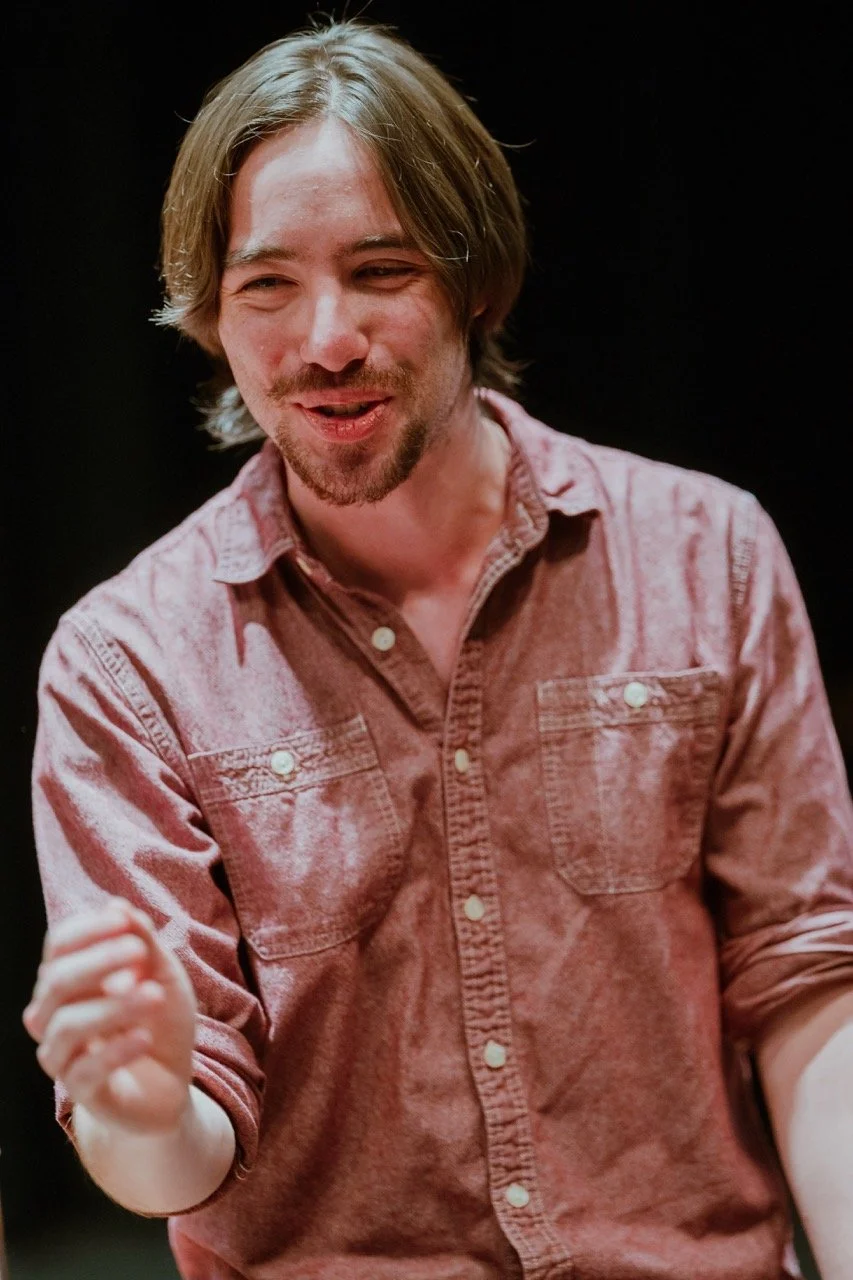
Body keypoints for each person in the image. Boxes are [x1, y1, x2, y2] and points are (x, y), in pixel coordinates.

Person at [22, 17, 853, 1280]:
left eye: (381, 269)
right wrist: (138, 1102)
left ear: (475, 282)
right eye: (266, 287)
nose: (324, 339)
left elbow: (808, 985)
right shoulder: (127, 657)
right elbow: (175, 1147)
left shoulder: (709, 552)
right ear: (210, 318)